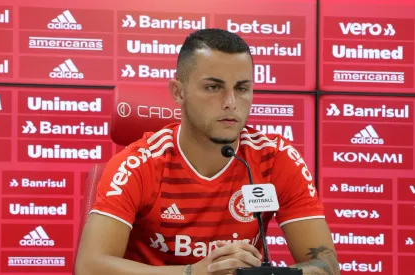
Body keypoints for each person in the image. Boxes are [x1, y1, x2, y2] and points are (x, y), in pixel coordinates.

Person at [75, 28, 340, 275]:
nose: (230, 103)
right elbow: (89, 267)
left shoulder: (276, 158)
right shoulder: (139, 162)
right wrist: (194, 272)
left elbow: (326, 263)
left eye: (242, 88)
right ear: (178, 92)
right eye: (213, 87)